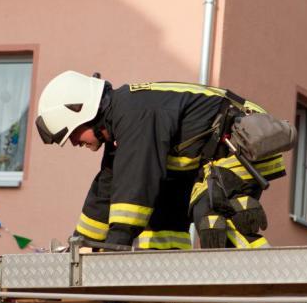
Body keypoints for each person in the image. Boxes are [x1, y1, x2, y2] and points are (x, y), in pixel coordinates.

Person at [36, 72, 289, 250]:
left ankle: (268, 283)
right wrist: (80, 249)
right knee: (160, 221)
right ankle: (163, 300)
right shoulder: (121, 125)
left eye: (72, 134)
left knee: (211, 214)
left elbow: (135, 187)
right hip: (210, 159)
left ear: (82, 112)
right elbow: (105, 194)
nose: (74, 143)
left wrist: (112, 255)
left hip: (245, 142)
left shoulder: (134, 114)